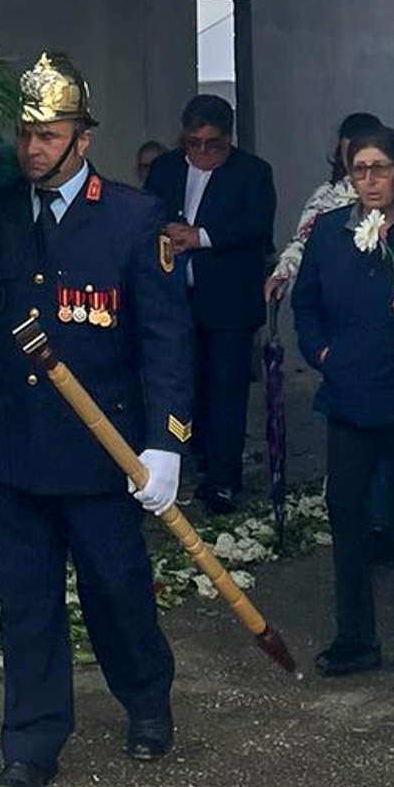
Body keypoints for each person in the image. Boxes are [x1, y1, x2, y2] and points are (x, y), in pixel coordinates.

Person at [0, 54, 194, 787]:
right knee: (26, 605)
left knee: (117, 590)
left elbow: (167, 339)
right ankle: (31, 741)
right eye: (27, 134)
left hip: (102, 450)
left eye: (49, 135)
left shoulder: (133, 218)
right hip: (17, 447)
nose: (34, 148)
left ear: (83, 139)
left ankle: (146, 696)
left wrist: (166, 441)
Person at [290, 127, 394, 678]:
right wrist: (322, 353)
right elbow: (306, 303)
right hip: (349, 393)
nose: (370, 180)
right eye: (359, 170)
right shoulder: (331, 231)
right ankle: (354, 636)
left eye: (380, 169)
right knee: (347, 519)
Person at [143, 94, 273, 513]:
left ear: (228, 139)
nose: (201, 152)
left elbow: (257, 227)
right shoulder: (165, 169)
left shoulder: (253, 172)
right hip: (175, 300)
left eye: (212, 144)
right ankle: (189, 463)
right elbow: (145, 217)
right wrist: (166, 233)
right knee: (183, 386)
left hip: (228, 301)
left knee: (226, 391)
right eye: (193, 143)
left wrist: (200, 237)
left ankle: (223, 479)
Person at [264, 111, 384, 305]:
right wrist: (283, 274)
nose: (354, 164)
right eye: (347, 156)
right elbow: (303, 242)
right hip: (334, 299)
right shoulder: (326, 196)